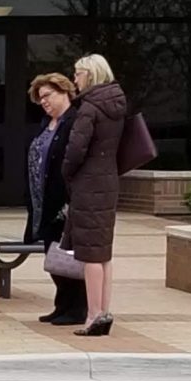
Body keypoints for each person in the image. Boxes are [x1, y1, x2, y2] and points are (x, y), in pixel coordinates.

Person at [61, 53, 128, 337]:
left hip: (88, 184)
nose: (75, 79)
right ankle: (104, 310)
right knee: (103, 254)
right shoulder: (117, 104)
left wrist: (66, 171)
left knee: (89, 254)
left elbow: (76, 149)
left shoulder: (89, 108)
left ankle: (92, 315)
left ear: (90, 74)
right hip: (109, 180)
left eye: (78, 73)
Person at [27, 71, 87, 328]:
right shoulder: (46, 124)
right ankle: (61, 305)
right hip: (43, 202)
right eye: (40, 98)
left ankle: (77, 308)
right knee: (53, 256)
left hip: (64, 203)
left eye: (47, 95)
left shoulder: (74, 122)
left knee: (68, 257)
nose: (44, 102)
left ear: (64, 92)